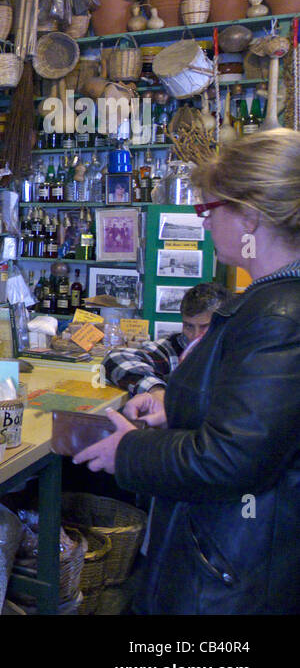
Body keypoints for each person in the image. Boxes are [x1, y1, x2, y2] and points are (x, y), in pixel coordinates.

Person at [75, 130, 300, 614]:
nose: (203, 224)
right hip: (228, 558)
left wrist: (129, 450)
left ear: (250, 215)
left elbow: (230, 460)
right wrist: (174, 411)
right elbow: (255, 425)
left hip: (230, 577)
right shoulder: (270, 302)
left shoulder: (279, 315)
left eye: (208, 210)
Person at [102, 281, 228, 398]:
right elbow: (115, 358)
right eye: (189, 326)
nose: (195, 335)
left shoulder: (238, 352)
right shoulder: (174, 348)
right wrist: (156, 391)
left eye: (205, 327)